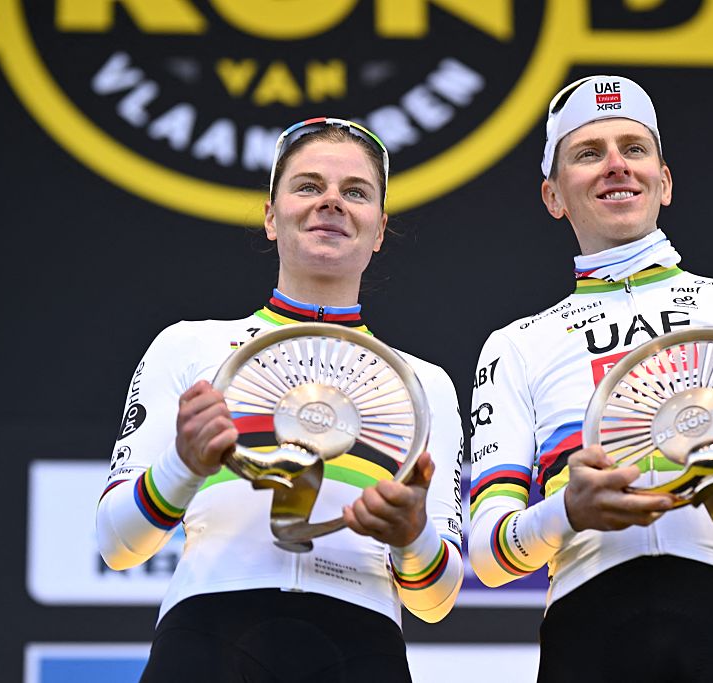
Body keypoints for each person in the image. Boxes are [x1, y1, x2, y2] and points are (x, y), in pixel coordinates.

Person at [467, 76, 713, 682]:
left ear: (664, 180)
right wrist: (566, 512)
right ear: (553, 195)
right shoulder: (517, 345)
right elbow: (490, 555)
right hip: (588, 630)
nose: (616, 166)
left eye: (634, 148)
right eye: (588, 153)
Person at [97, 117, 464, 682]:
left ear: (379, 228)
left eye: (356, 192)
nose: (332, 203)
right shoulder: (191, 346)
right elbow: (116, 544)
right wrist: (183, 465)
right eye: (309, 186)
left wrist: (412, 533)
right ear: (271, 215)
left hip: (361, 650)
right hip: (207, 640)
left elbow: (434, 601)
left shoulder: (423, 384)